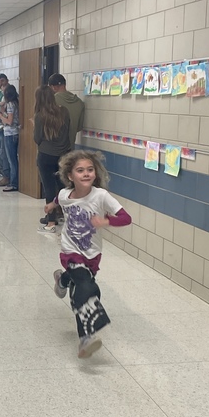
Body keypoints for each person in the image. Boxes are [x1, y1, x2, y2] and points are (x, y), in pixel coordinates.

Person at [45, 150, 132, 359]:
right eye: (80, 170)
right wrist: (51, 205)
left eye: (90, 170)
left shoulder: (101, 196)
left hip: (92, 253)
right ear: (70, 176)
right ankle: (86, 338)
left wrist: (106, 221)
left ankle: (62, 279)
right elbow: (59, 198)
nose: (86, 174)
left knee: (80, 288)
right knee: (87, 287)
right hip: (70, 250)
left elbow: (126, 218)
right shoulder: (66, 194)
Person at [33, 84, 70, 229]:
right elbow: (68, 132)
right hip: (64, 156)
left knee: (49, 188)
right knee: (65, 188)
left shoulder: (39, 116)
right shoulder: (64, 112)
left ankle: (51, 221)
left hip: (46, 155)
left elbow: (37, 139)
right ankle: (69, 218)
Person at [48, 73, 85, 148]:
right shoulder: (80, 103)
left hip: (54, 149)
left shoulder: (52, 101)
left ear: (53, 87)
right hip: (70, 147)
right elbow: (79, 127)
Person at [0, 83, 20, 192]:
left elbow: (9, 122)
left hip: (10, 133)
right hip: (13, 133)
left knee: (11, 160)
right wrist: (2, 111)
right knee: (13, 159)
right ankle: (13, 181)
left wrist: (1, 116)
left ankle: (13, 183)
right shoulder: (15, 103)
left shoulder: (10, 104)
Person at [0, 73, 11, 186]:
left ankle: (7, 176)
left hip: (7, 127)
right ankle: (3, 173)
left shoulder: (11, 94)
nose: (1, 84)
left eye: (2, 81)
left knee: (5, 153)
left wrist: (1, 114)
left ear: (7, 80)